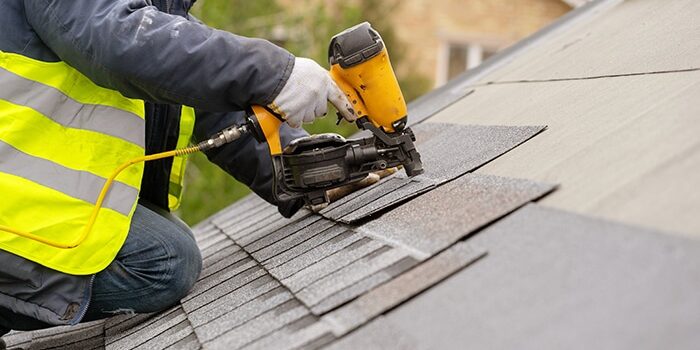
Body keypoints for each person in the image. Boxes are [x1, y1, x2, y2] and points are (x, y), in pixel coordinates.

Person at [0, 0, 358, 343]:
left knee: (165, 247)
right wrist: (270, 72)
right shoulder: (120, 20)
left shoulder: (152, 10)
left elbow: (202, 91)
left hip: (22, 199)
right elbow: (121, 42)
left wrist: (305, 167)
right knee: (164, 261)